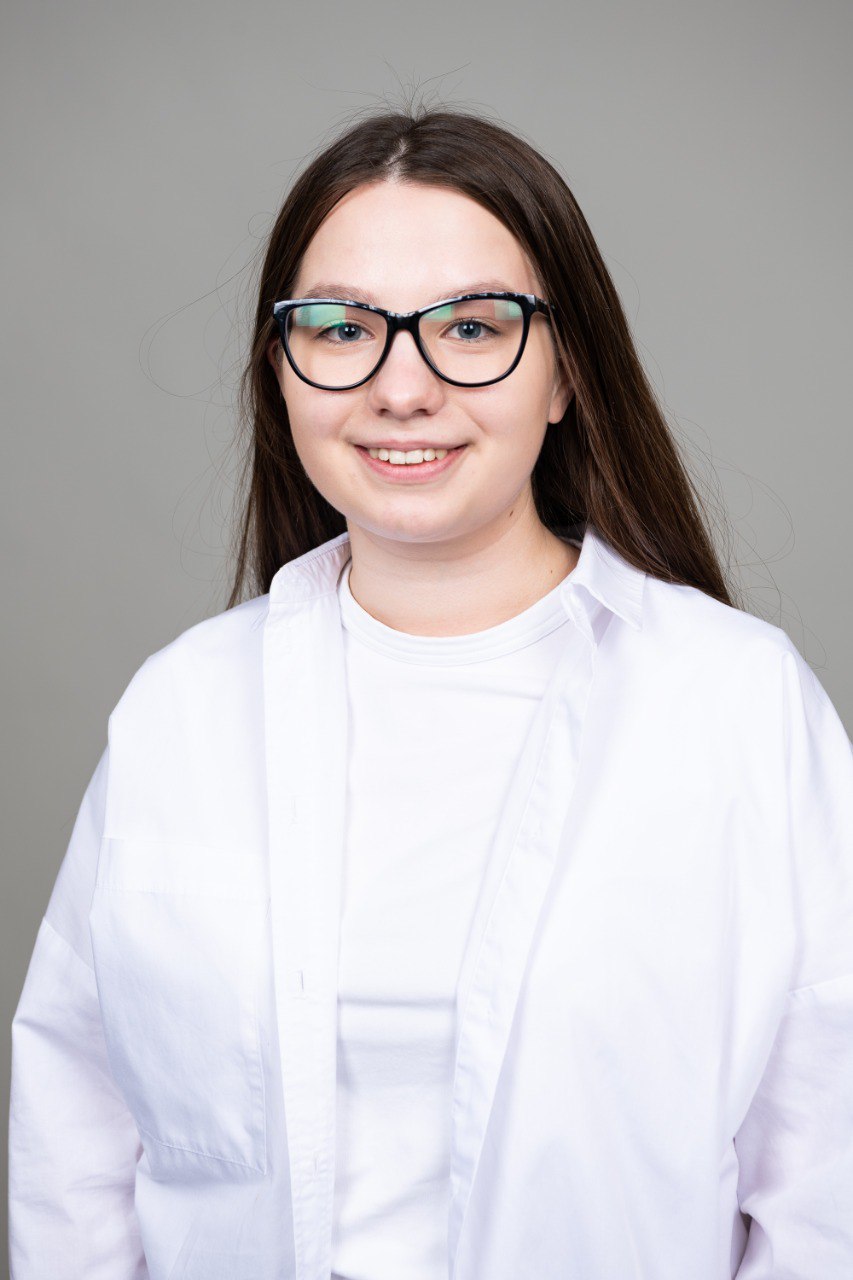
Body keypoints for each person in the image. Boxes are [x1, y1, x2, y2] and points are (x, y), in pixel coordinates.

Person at [8, 104, 853, 1280]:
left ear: (565, 373)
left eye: (470, 326)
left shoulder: (736, 704)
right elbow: (73, 1136)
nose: (401, 387)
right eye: (341, 328)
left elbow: (825, 1176)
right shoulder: (181, 706)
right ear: (281, 370)